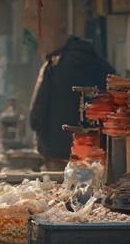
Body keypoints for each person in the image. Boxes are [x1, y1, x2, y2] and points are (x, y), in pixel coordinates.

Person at [29, 35, 115, 167]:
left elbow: (39, 106)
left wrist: (38, 129)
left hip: (56, 148)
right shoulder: (104, 68)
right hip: (93, 149)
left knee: (56, 186)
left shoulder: (54, 65)